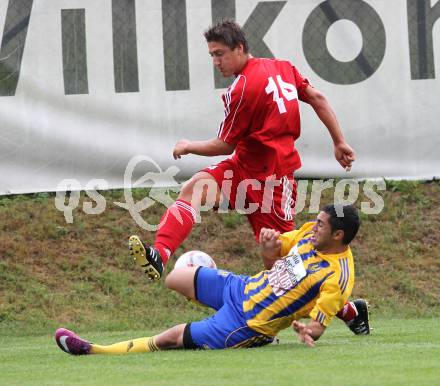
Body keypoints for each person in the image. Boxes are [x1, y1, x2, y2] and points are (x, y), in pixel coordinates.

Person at [128, 20, 356, 281]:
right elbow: (317, 98)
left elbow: (224, 145)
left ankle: (347, 308)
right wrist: (339, 141)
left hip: (273, 182)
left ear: (239, 48)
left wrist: (188, 146)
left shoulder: (243, 88)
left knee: (282, 273)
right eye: (212, 55)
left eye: (220, 54)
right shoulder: (282, 67)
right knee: (195, 188)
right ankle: (160, 254)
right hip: (243, 168)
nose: (215, 61)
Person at [56, 204, 367, 355]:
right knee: (175, 277)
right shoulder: (308, 233)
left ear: (338, 235)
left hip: (248, 323)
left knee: (171, 338)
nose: (313, 227)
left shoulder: (337, 277)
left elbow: (317, 327)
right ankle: (219, 317)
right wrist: (268, 247)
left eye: (322, 226)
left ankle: (95, 350)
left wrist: (305, 328)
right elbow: (272, 263)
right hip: (241, 287)